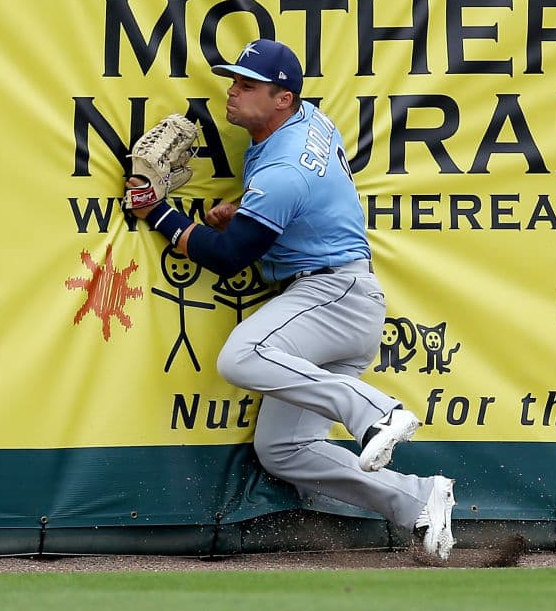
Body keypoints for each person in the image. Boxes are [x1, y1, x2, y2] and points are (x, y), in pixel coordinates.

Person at [126, 39, 456, 559]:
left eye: (247, 86)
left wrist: (157, 212)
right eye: (233, 82)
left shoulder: (284, 171)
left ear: (283, 98)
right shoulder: (310, 121)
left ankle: (377, 411)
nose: (232, 93)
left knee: (241, 356)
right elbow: (299, 194)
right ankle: (417, 500)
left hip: (332, 293)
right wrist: (246, 210)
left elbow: (230, 256)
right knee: (284, 450)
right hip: (341, 296)